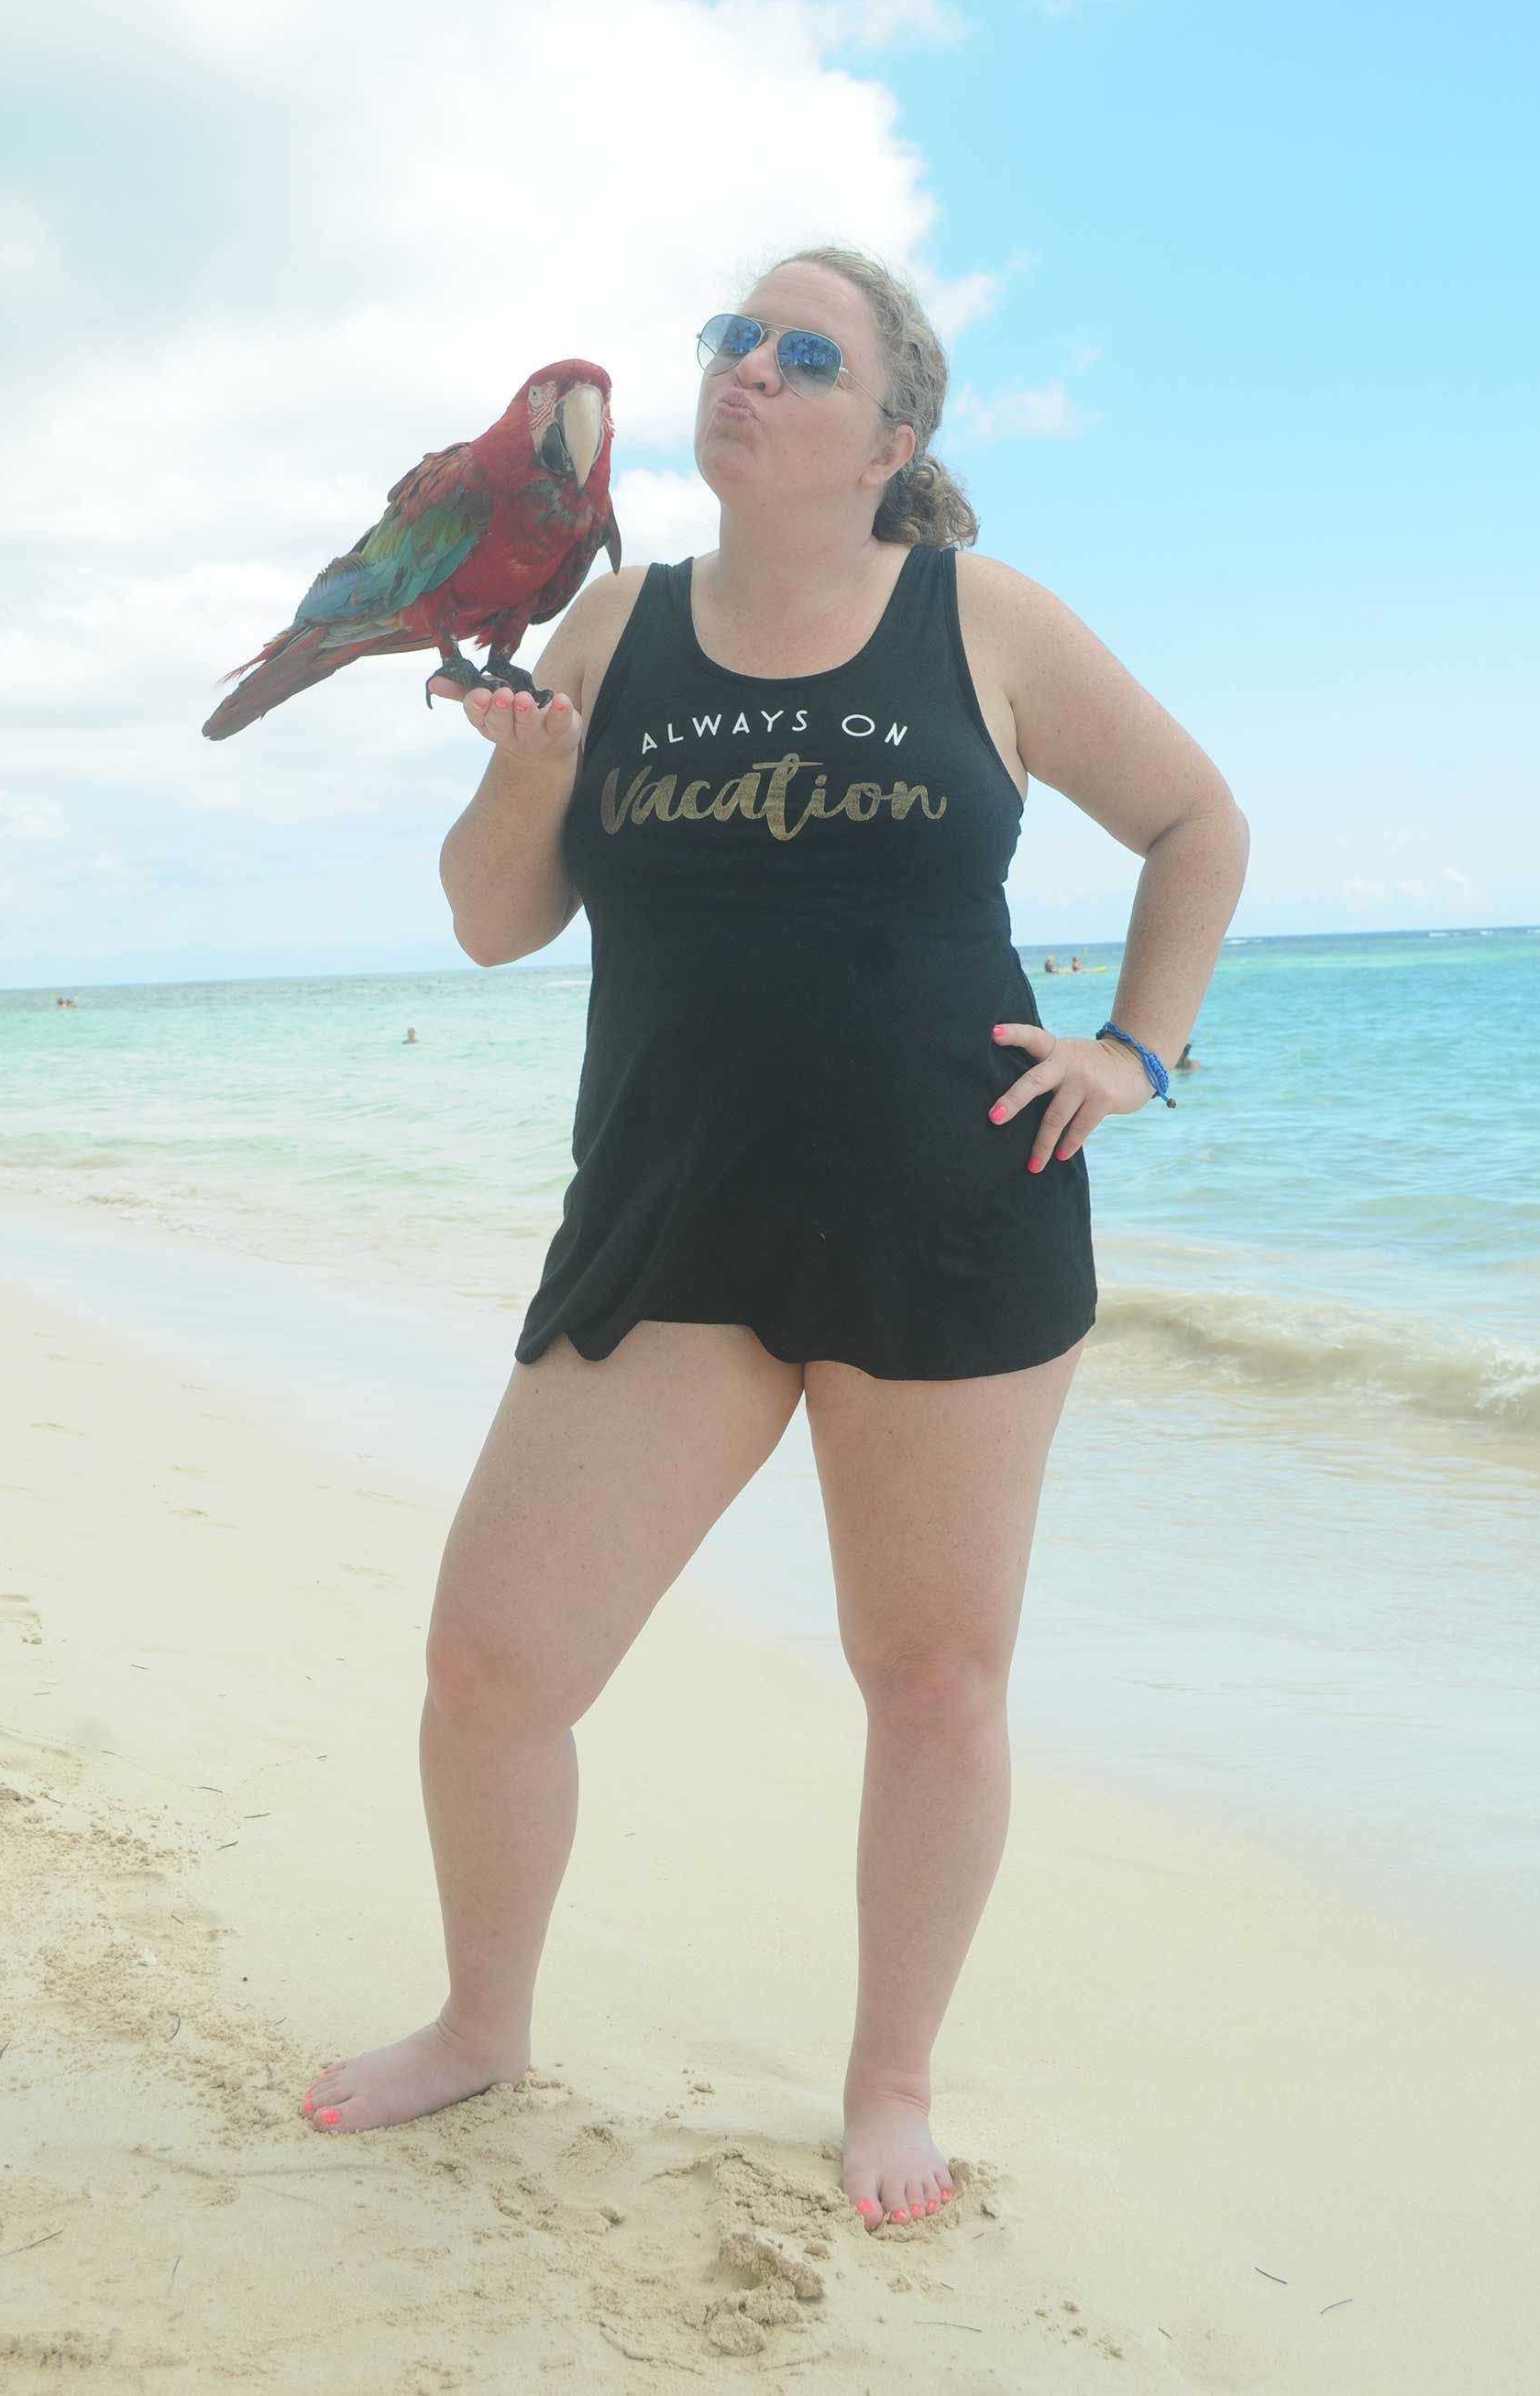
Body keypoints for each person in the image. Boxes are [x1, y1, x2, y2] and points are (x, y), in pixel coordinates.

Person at [304, 245, 1249, 2233]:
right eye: (731, 338)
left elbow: (1195, 823)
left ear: (889, 435)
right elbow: (494, 919)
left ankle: (888, 2085)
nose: (746, 368)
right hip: (672, 1219)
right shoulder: (613, 619)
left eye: (802, 355)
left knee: (929, 1681)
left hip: (953, 1229)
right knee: (493, 1660)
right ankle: (483, 2026)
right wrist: (540, 768)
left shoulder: (980, 618)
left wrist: (1137, 1052)